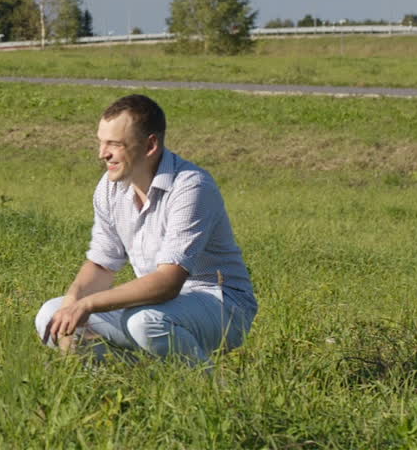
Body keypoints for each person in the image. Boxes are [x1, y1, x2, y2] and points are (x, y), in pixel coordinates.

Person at [35, 94, 257, 364]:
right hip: (156, 307)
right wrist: (73, 301)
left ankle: (211, 392)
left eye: (114, 144)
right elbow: (103, 266)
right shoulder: (109, 187)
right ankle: (124, 385)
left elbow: (168, 283)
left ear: (150, 145)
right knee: (51, 314)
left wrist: (88, 304)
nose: (102, 153)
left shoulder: (191, 187)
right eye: (101, 142)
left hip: (221, 305)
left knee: (144, 322)